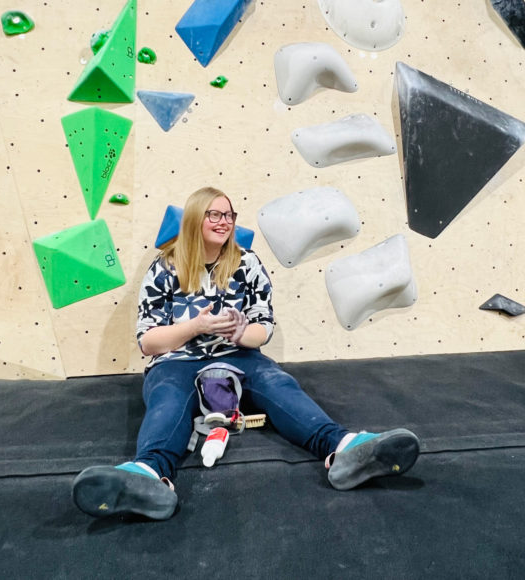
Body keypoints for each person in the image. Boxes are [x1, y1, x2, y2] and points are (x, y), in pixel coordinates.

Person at [72, 186, 420, 520]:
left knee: (278, 384)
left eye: (229, 215)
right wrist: (195, 327)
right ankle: (148, 476)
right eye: (215, 215)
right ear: (195, 218)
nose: (224, 221)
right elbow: (149, 342)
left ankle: (344, 449)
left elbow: (263, 328)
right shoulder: (164, 268)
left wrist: (241, 332)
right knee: (168, 400)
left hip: (237, 355)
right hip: (176, 361)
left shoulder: (247, 263)